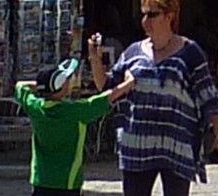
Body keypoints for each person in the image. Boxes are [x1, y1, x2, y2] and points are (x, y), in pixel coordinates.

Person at [109, 0, 218, 196]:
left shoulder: (190, 52)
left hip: (176, 143)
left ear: (169, 16)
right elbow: (109, 87)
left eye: (152, 14)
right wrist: (94, 59)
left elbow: (209, 97)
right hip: (137, 143)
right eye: (143, 15)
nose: (146, 20)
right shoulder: (133, 52)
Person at [17, 40, 138, 196]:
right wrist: (128, 83)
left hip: (40, 179)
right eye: (67, 79)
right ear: (61, 87)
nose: (70, 81)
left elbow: (20, 87)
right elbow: (107, 97)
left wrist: (42, 86)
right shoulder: (75, 111)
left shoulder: (34, 106)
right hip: (67, 182)